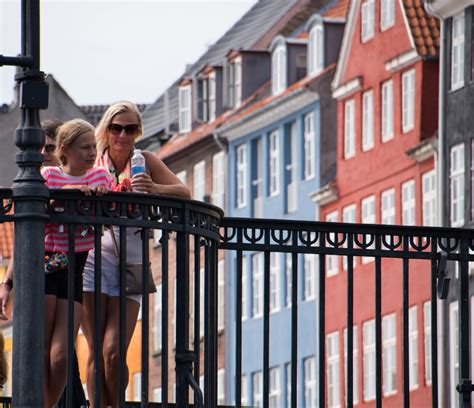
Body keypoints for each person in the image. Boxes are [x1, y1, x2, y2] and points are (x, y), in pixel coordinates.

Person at [81, 101, 190, 407]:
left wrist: (154, 188)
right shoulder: (94, 162)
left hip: (133, 260)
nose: (122, 135)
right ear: (107, 130)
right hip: (93, 259)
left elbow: (184, 191)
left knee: (114, 350)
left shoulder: (145, 159)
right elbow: (68, 186)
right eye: (116, 128)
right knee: (96, 351)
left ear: (137, 131)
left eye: (129, 129)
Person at [41, 118, 112, 407]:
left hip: (75, 268)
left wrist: (98, 196)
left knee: (60, 357)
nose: (91, 152)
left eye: (93, 146)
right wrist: (62, 198)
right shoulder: (50, 175)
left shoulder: (99, 177)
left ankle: (46, 402)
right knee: (41, 349)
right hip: (45, 267)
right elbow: (40, 208)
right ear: (64, 150)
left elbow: (109, 195)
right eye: (84, 147)